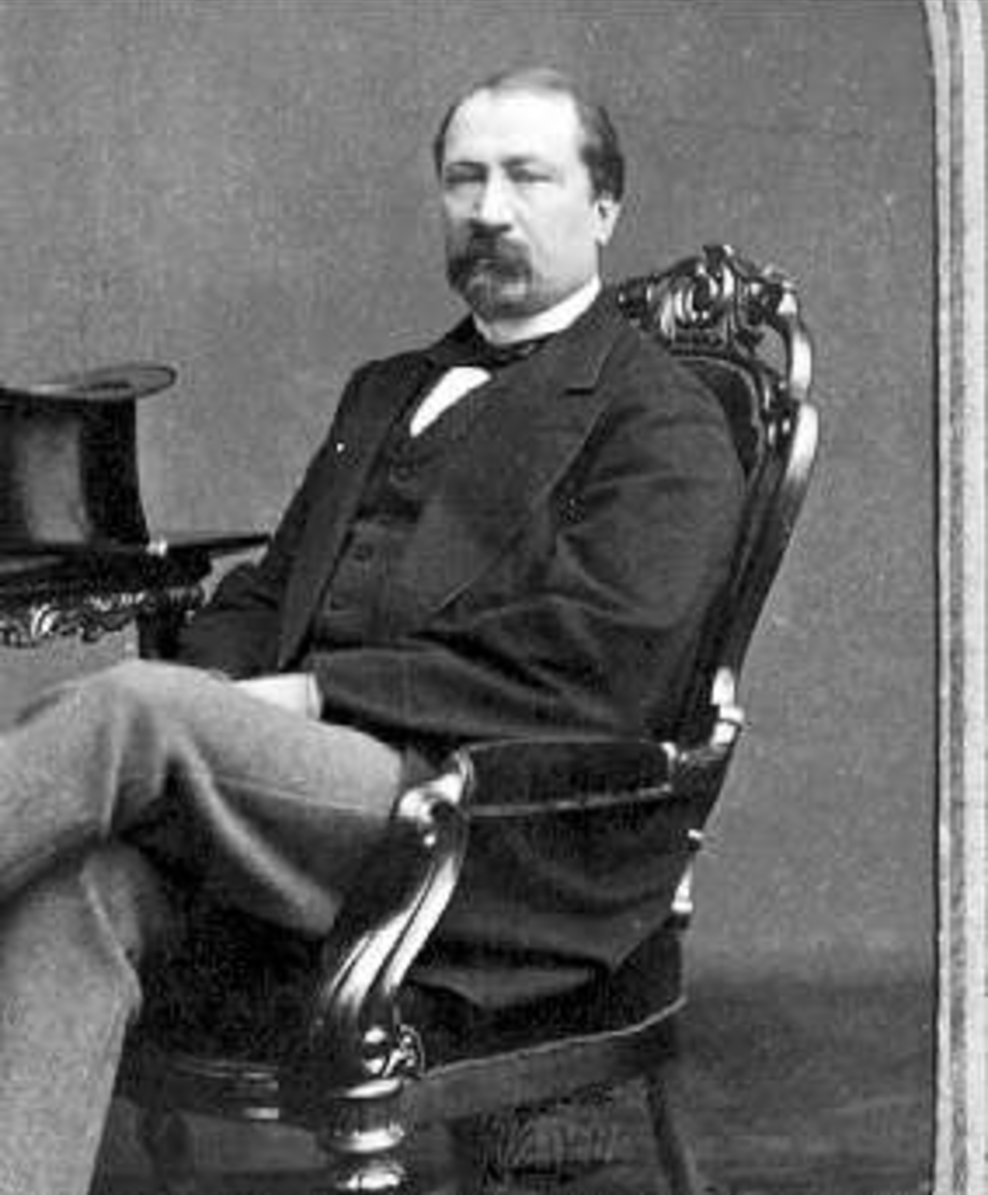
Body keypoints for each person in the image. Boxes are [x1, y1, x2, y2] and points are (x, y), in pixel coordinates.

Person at [0, 66, 744, 1193]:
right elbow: (270, 596)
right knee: (75, 895)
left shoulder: (657, 416)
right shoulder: (385, 390)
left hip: (484, 820)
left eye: (528, 178)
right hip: (313, 806)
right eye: (464, 179)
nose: (489, 209)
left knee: (130, 713)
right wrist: (221, 701)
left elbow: (600, 668)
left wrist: (305, 699)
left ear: (604, 209)